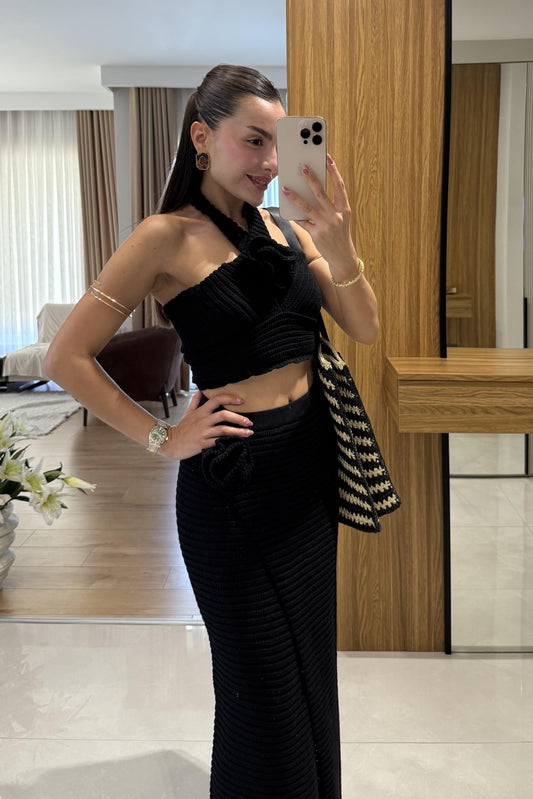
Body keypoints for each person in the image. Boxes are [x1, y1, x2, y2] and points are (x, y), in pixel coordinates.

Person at [45, 64, 378, 799]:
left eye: (278, 142)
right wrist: (161, 437)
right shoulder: (163, 238)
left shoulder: (285, 227)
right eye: (253, 140)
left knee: (309, 671)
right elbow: (65, 357)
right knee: (262, 695)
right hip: (234, 486)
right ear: (202, 136)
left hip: (307, 471)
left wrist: (341, 243)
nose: (270, 161)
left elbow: (364, 327)